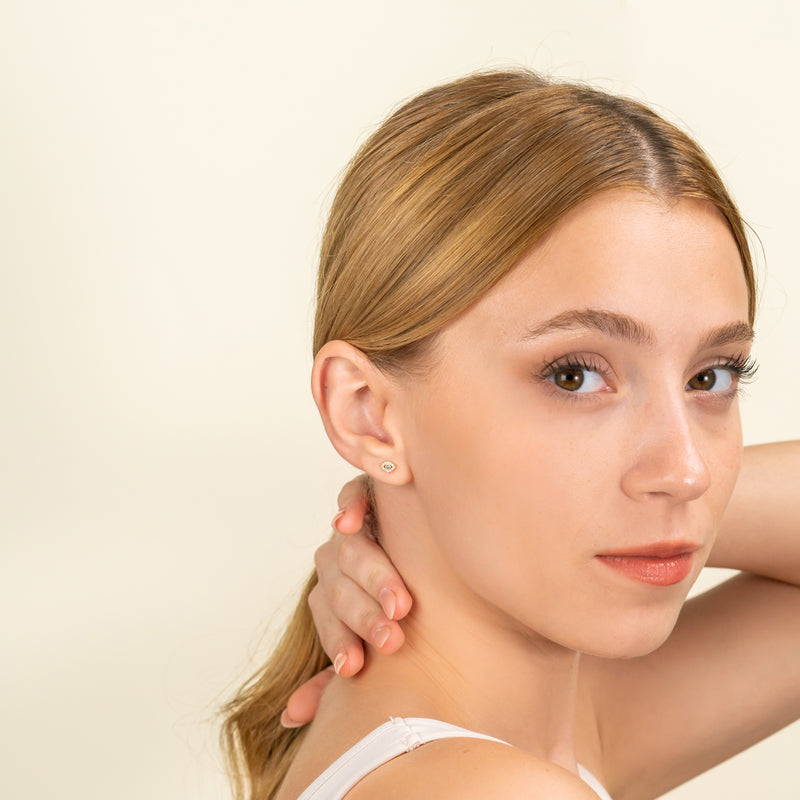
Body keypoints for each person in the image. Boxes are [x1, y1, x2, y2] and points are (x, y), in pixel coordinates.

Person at [222, 69, 800, 800]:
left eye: (711, 376)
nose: (686, 470)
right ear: (366, 411)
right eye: (573, 376)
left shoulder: (542, 737)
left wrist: (410, 507)